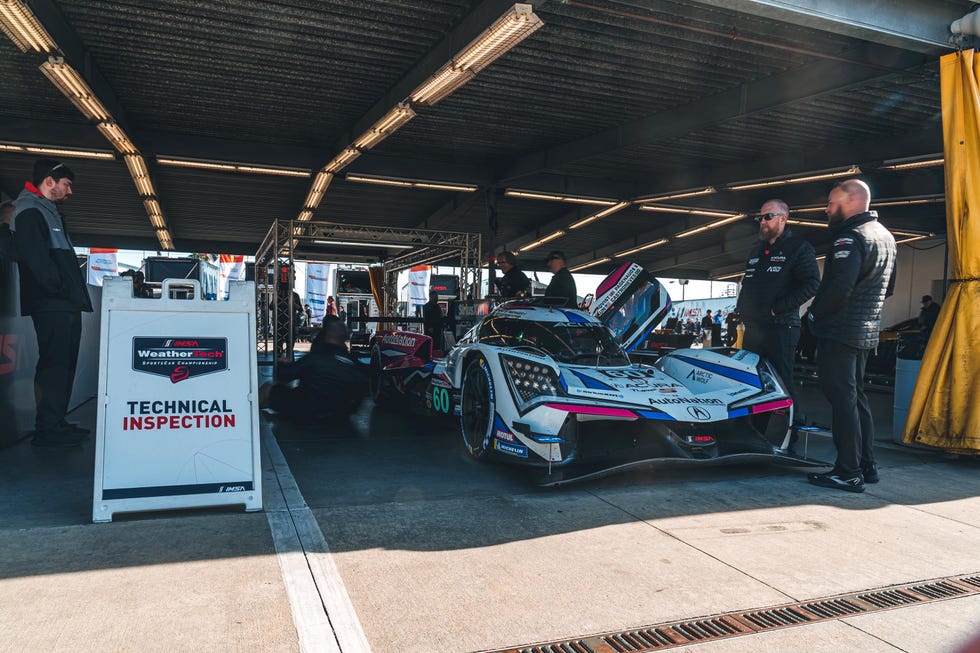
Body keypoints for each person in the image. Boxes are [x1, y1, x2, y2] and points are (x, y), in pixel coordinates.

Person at [807, 179, 896, 493]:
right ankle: (866, 465)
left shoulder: (850, 238)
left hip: (840, 332)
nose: (827, 209)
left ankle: (847, 471)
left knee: (843, 403)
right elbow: (890, 289)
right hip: (865, 333)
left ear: (852, 201)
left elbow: (838, 290)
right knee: (857, 400)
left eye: (831, 203)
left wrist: (813, 317)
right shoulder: (886, 237)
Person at [11, 159, 93, 447]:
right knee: (54, 366)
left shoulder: (50, 212)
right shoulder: (30, 210)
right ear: (50, 181)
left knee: (64, 365)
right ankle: (46, 429)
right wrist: (57, 289)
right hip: (52, 303)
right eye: (67, 185)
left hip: (63, 303)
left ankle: (56, 421)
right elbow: (35, 258)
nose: (70, 191)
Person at [736, 198, 820, 415]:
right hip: (754, 328)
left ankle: (788, 436)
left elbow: (812, 284)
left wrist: (777, 309)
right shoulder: (756, 249)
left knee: (781, 382)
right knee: (752, 381)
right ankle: (757, 430)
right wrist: (741, 307)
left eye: (768, 216)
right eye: (760, 217)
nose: (762, 221)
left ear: (784, 218)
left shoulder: (799, 248)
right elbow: (748, 283)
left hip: (781, 328)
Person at [259, 316, 366, 423]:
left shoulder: (317, 357)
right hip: (339, 415)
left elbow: (283, 377)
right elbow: (360, 390)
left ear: (327, 334)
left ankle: (246, 418)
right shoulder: (352, 362)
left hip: (307, 410)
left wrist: (283, 363)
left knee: (268, 388)